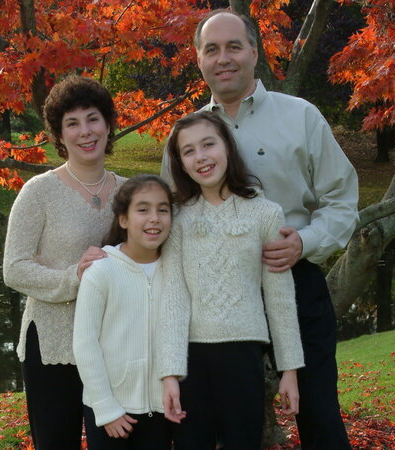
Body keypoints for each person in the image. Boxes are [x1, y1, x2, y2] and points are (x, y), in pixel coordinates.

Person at [162, 10, 358, 450]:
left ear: (254, 51)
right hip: (212, 302)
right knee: (217, 425)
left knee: (319, 415)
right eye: (212, 49)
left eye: (234, 46)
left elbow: (343, 201)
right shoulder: (186, 136)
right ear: (199, 59)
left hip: (293, 279)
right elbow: (167, 215)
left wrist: (304, 242)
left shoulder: (301, 117)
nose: (223, 58)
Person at [159, 111, 305, 450]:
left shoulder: (265, 213)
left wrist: (289, 370)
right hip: (190, 360)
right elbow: (173, 299)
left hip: (244, 355)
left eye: (208, 144)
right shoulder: (177, 219)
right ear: (180, 163)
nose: (201, 157)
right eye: (189, 151)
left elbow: (280, 298)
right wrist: (169, 373)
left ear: (227, 146)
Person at [3, 75, 126, 450]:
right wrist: (74, 277)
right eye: (72, 123)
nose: (85, 131)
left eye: (93, 119)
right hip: (53, 344)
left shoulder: (130, 192)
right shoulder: (39, 192)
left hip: (114, 343)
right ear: (59, 134)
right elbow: (14, 268)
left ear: (108, 124)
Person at [73, 174, 175, 450]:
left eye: (162, 210)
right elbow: (85, 343)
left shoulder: (176, 270)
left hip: (160, 409)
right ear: (123, 220)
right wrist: (106, 408)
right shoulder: (102, 271)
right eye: (143, 210)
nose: (154, 218)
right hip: (110, 410)